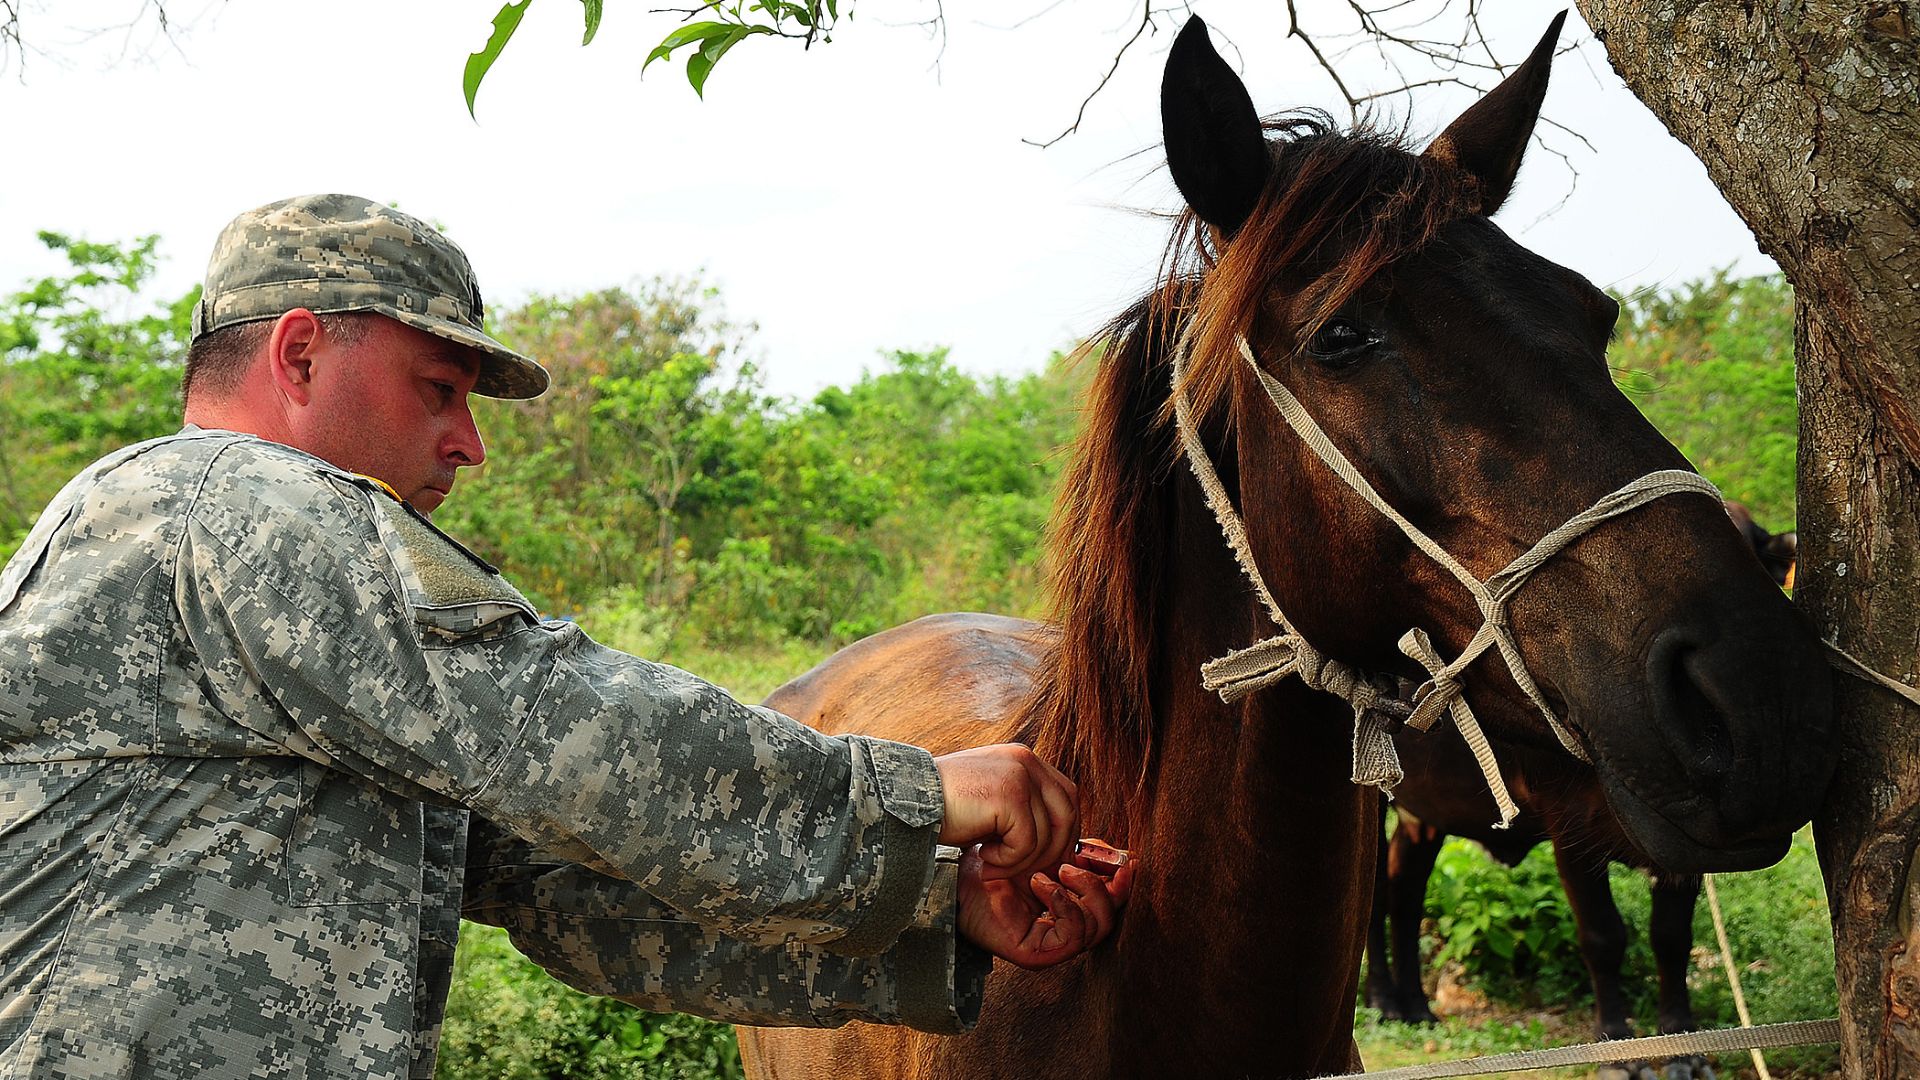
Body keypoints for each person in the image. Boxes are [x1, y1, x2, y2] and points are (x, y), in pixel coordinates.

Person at [0, 194, 1130, 1080]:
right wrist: (913, 798)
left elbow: (567, 884)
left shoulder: (278, 612)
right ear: (298, 356)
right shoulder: (223, 506)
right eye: (439, 387)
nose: (468, 441)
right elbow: (565, 735)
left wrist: (940, 917)